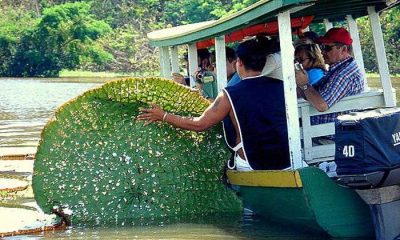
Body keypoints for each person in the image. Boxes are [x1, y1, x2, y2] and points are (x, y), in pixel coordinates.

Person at [138, 38, 290, 171]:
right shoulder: (281, 86)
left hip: (251, 162)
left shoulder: (230, 93)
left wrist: (163, 115)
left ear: (239, 63)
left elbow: (199, 124)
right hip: (286, 158)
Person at [295, 27, 364, 125]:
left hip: (329, 132)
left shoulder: (344, 74)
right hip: (322, 127)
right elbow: (314, 93)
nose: (322, 52)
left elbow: (321, 105)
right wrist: (300, 84)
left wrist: (305, 84)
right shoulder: (339, 69)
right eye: (322, 48)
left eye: (327, 48)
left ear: (343, 49)